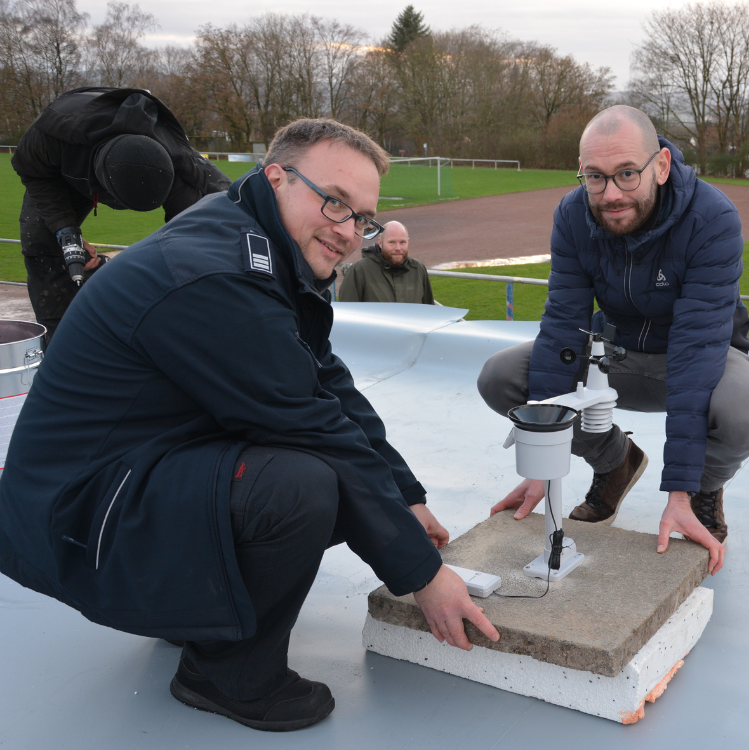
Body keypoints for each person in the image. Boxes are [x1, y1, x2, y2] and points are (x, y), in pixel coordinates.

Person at [0, 118, 498, 732]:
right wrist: (424, 578)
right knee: (302, 485)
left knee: (344, 488)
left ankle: (193, 619)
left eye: (362, 218)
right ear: (276, 178)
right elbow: (312, 424)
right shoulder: (219, 275)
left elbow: (325, 380)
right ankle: (226, 673)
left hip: (126, 482)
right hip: (80, 522)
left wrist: (406, 495)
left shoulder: (258, 241)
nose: (348, 232)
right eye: (334, 202)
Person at [477, 105, 749, 576]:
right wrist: (540, 468)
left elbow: (697, 353)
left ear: (661, 166)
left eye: (626, 174)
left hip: (698, 359)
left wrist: (678, 491)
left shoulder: (712, 218)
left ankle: (702, 490)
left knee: (741, 410)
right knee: (501, 377)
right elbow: (562, 329)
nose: (610, 194)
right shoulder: (574, 214)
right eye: (595, 177)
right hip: (614, 353)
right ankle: (615, 462)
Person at [11, 86, 232, 340]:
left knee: (212, 224)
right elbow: (31, 171)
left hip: (154, 162)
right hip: (64, 167)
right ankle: (59, 339)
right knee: (41, 243)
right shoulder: (52, 132)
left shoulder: (179, 166)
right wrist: (65, 230)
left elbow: (194, 237)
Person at [338, 220, 435, 304]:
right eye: (392, 242)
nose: (398, 248)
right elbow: (348, 314)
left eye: (402, 242)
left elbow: (429, 311)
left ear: (408, 242)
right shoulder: (359, 270)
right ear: (380, 243)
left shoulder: (418, 269)